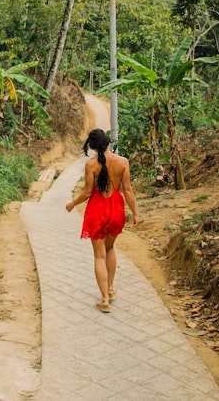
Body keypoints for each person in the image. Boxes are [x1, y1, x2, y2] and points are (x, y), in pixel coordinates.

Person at [65, 128, 142, 313]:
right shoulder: (123, 162)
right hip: (116, 208)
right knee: (110, 248)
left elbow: (88, 192)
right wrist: (135, 213)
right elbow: (128, 190)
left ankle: (105, 299)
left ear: (92, 146)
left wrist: (72, 203)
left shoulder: (91, 164)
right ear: (108, 142)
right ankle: (110, 288)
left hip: (97, 209)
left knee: (99, 255)